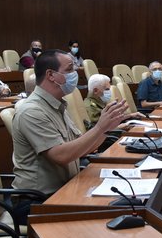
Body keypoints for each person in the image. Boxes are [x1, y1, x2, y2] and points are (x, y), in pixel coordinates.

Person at [11, 50, 131, 221]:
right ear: (51, 75)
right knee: (108, 216)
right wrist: (99, 127)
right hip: (37, 202)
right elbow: (61, 156)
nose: (75, 74)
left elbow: (82, 148)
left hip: (64, 188)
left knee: (122, 203)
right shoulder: (31, 111)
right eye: (69, 70)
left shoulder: (57, 105)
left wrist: (107, 128)